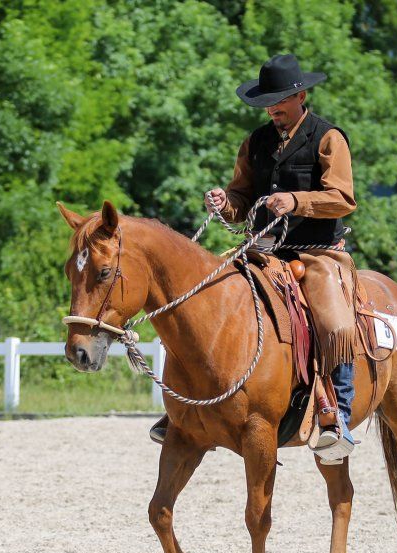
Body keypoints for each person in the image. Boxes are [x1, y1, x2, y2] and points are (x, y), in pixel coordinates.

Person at [151, 53, 358, 460]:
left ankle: (339, 414)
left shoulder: (328, 138)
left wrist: (296, 200)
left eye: (279, 102)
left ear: (301, 96)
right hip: (260, 252)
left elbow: (342, 198)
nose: (273, 110)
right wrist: (224, 201)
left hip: (316, 254)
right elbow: (242, 199)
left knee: (334, 321)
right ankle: (188, 406)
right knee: (205, 300)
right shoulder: (256, 142)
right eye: (268, 103)